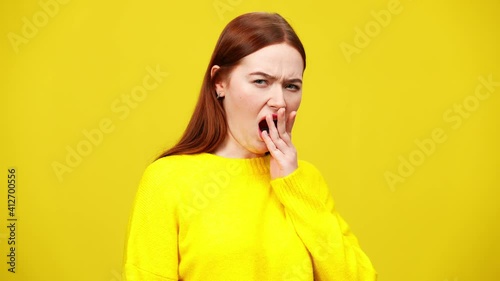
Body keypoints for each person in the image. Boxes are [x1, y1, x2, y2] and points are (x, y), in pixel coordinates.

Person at [122, 12, 377, 281]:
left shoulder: (306, 181)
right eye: (261, 81)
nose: (279, 101)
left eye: (291, 86)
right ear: (219, 82)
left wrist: (293, 186)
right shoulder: (167, 180)